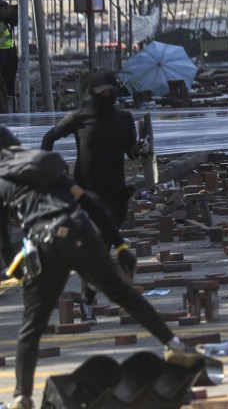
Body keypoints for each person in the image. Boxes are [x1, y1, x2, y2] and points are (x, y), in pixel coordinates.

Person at [0, 127, 187, 409]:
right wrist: (120, 245)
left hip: (44, 243)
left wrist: (17, 271)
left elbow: (3, 239)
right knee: (121, 292)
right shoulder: (46, 164)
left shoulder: (2, 181)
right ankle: (176, 347)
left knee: (32, 327)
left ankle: (21, 398)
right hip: (79, 231)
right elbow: (89, 202)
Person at [40, 69, 151, 322]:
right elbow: (49, 137)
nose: (108, 97)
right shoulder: (78, 118)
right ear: (93, 94)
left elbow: (131, 152)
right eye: (103, 93)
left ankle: (87, 296)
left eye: (112, 93)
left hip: (116, 193)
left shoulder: (124, 119)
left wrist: (141, 148)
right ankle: (85, 297)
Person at [0, 0, 17, 113]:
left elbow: (15, 19)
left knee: (8, 90)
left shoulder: (3, 7)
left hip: (7, 56)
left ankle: (9, 113)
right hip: (7, 56)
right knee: (6, 90)